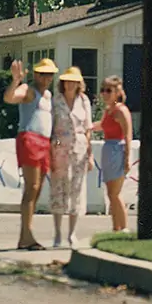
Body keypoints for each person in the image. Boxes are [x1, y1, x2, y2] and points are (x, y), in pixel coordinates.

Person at [4, 58, 58, 250]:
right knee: (31, 187)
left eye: (50, 74)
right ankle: (27, 235)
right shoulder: (28, 90)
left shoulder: (49, 95)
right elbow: (9, 98)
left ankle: (25, 236)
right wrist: (15, 80)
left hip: (44, 142)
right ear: (35, 74)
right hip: (30, 138)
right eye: (42, 74)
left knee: (36, 190)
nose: (46, 78)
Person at [49, 67, 94, 248]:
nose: (70, 84)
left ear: (79, 84)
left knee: (77, 190)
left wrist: (89, 155)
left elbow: (88, 128)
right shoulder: (56, 101)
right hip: (59, 148)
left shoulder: (83, 101)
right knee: (58, 189)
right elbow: (50, 127)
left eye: (73, 81)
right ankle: (58, 233)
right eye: (67, 81)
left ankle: (72, 233)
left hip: (79, 149)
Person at [94, 76, 132, 232]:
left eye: (109, 90)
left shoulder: (121, 110)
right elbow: (101, 126)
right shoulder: (109, 110)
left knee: (115, 193)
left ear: (117, 92)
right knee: (110, 193)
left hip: (117, 149)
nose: (105, 94)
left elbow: (128, 135)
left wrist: (127, 158)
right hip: (108, 148)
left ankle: (123, 228)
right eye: (103, 90)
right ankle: (116, 227)